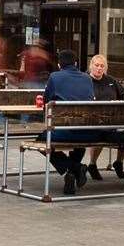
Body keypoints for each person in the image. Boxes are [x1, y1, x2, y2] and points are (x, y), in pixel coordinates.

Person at [42, 48, 95, 195]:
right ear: (76, 63)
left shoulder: (54, 77)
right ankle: (74, 170)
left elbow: (47, 104)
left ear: (59, 64)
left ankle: (70, 170)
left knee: (42, 139)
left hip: (65, 131)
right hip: (88, 132)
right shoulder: (87, 78)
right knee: (79, 137)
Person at [84, 53, 124, 180]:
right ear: (91, 66)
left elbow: (123, 96)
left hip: (113, 119)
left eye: (102, 66)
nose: (99, 68)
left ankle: (119, 162)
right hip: (92, 120)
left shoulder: (111, 81)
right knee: (101, 130)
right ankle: (92, 164)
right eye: (96, 65)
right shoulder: (85, 80)